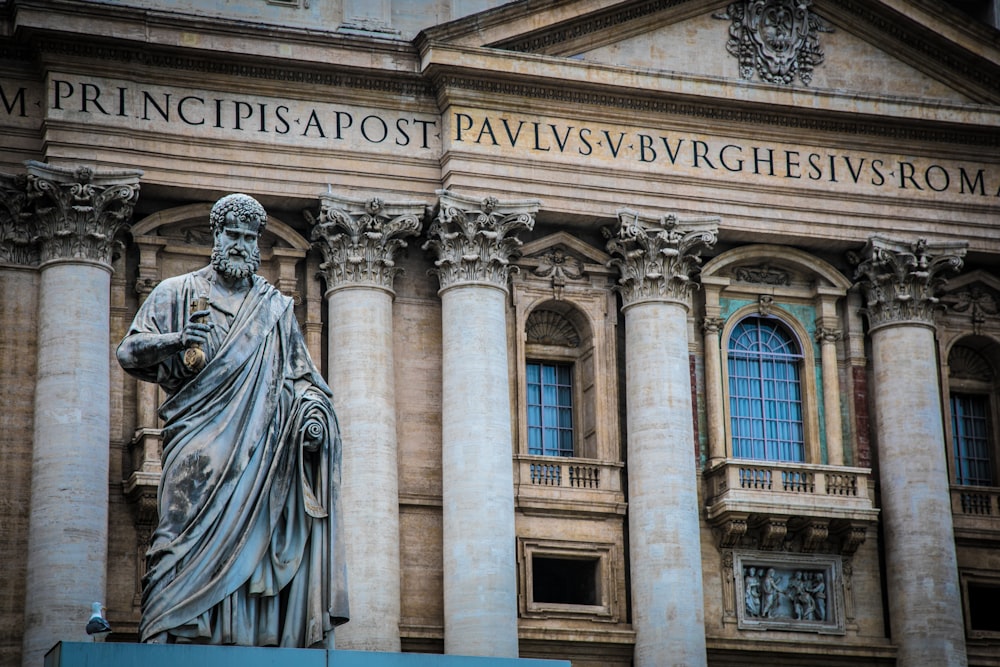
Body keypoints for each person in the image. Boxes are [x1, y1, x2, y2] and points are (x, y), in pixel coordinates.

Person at [117, 193, 348, 647]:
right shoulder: (177, 293)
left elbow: (305, 379)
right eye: (233, 235)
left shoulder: (275, 309)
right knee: (175, 536)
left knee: (253, 547)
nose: (241, 244)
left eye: (249, 237)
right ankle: (171, 629)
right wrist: (177, 339)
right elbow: (128, 352)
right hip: (197, 444)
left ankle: (241, 635)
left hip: (261, 452)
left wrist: (313, 417)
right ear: (216, 237)